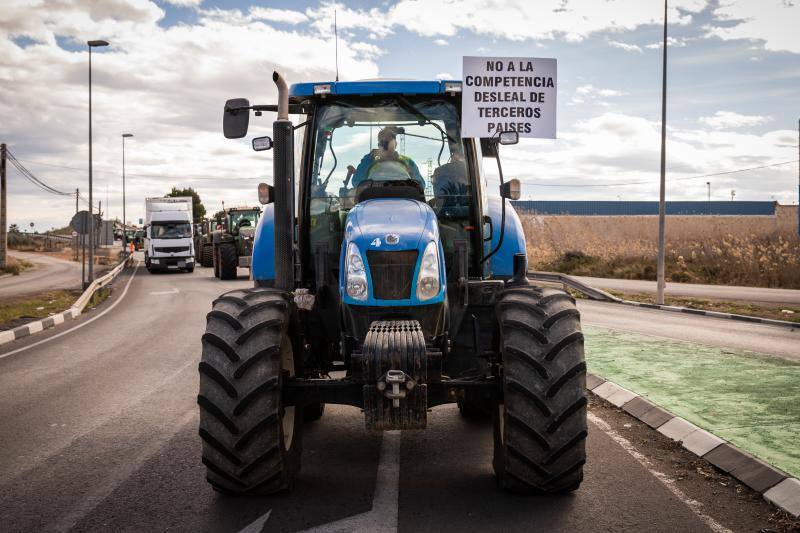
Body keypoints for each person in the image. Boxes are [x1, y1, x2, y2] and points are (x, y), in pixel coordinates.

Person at [352, 126, 425, 189]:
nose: (385, 144)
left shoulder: (408, 161)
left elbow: (421, 185)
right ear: (378, 145)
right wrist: (369, 158)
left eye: (388, 141)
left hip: (404, 198)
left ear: (395, 144)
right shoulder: (370, 160)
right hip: (374, 198)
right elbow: (356, 182)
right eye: (382, 142)